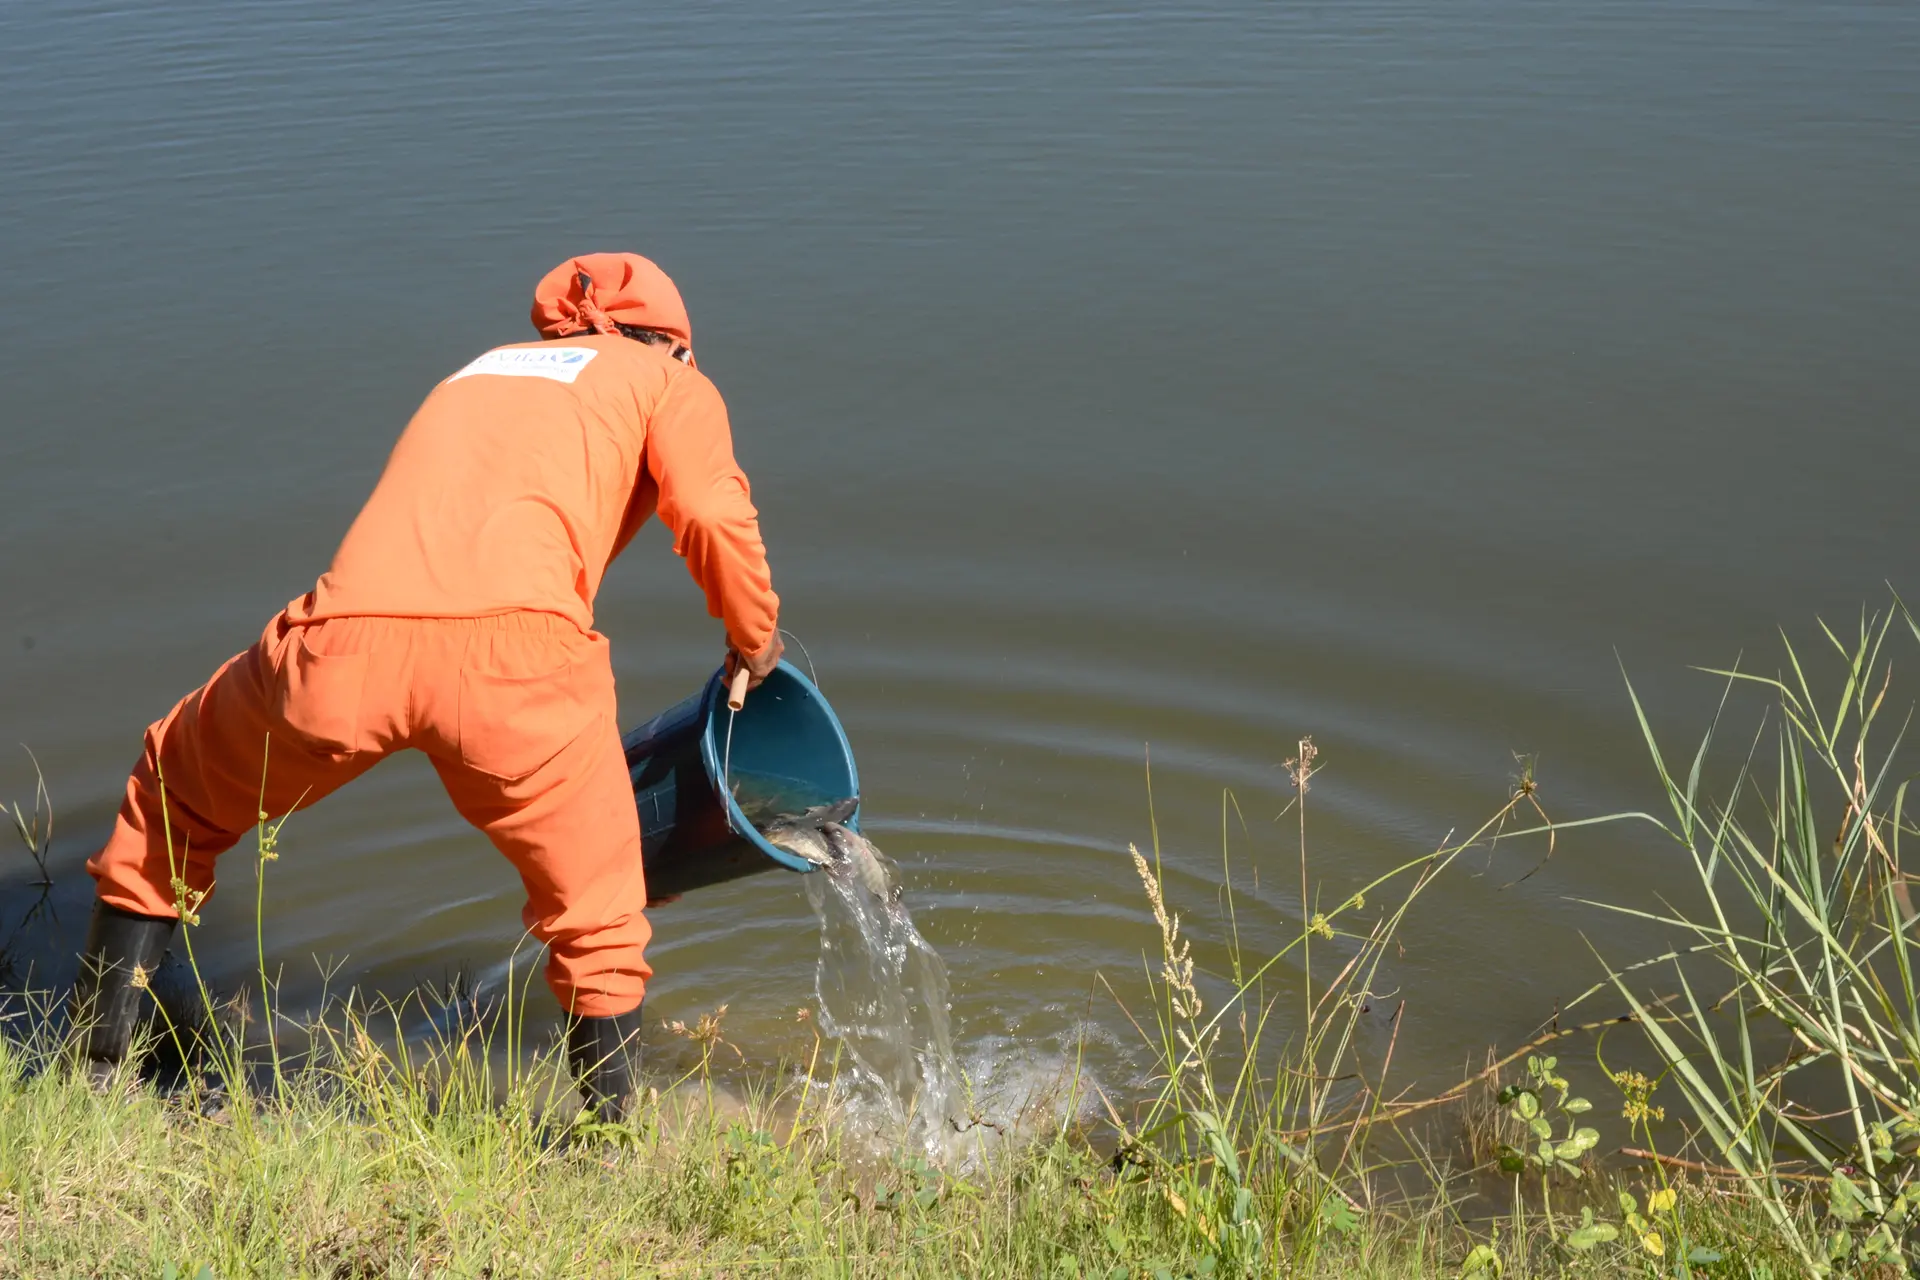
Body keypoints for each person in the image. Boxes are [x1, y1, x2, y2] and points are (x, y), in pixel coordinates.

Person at [71, 252, 784, 1118]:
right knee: (598, 917)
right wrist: (754, 638)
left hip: (340, 649)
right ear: (671, 343)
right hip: (521, 672)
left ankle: (98, 1075)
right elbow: (709, 511)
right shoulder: (668, 382)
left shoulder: (479, 371)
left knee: (173, 793)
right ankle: (612, 1150)